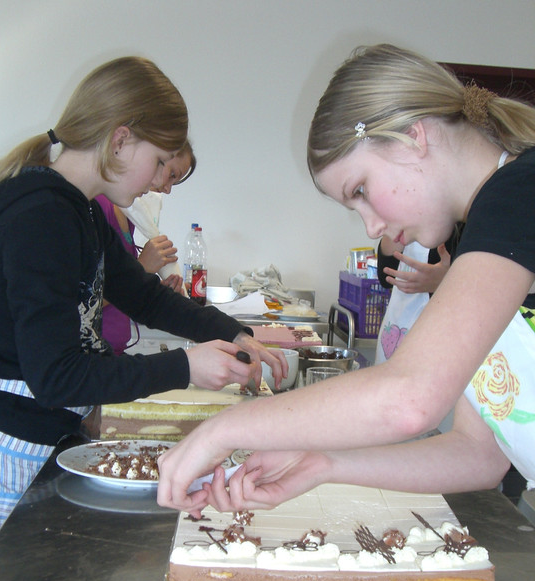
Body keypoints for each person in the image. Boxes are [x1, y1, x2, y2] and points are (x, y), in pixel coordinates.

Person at [157, 43, 535, 515]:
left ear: (413, 137)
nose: (372, 228)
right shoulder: (472, 236)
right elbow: (479, 454)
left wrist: (227, 429)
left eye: (361, 190)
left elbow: (409, 398)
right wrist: (323, 464)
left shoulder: (519, 193)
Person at [0, 56, 286, 581]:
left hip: (49, 438)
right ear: (120, 140)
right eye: (158, 163)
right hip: (10, 453)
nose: (159, 182)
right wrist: (185, 367)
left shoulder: (81, 211)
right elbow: (56, 376)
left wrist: (233, 333)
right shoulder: (40, 217)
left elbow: (146, 298)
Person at [98, 141, 195, 354]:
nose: (166, 189)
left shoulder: (129, 215)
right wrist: (140, 269)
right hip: (91, 355)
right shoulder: (99, 207)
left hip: (113, 351)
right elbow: (82, 302)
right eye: (171, 175)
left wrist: (152, 288)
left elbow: (121, 290)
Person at [375, 233, 457, 364]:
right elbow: (386, 276)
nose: (372, 231)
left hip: (444, 341)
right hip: (400, 329)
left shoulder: (465, 233)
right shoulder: (407, 228)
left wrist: (448, 280)